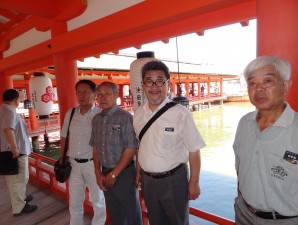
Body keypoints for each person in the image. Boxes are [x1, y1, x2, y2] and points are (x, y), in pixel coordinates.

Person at [133, 60, 206, 225]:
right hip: (148, 181)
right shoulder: (138, 115)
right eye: (149, 81)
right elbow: (141, 145)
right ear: (143, 85)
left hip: (174, 181)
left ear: (168, 84)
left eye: (160, 81)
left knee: (178, 221)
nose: (154, 86)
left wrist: (194, 182)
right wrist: (138, 171)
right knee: (156, 221)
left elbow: (194, 150)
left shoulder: (181, 113)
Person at [233, 55, 298, 225]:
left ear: (285, 86)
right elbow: (240, 166)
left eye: (268, 81)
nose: (259, 89)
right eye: (252, 83)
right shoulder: (244, 123)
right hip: (244, 213)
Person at [90, 81, 142, 225]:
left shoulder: (125, 117)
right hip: (105, 172)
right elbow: (95, 147)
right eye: (99, 94)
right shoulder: (96, 120)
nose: (102, 97)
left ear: (116, 95)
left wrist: (114, 174)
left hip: (124, 173)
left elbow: (131, 149)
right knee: (115, 213)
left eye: (107, 94)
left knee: (132, 213)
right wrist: (97, 173)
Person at [60, 80, 106, 225]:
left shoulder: (100, 114)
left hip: (93, 165)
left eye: (86, 91)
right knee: (74, 202)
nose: (82, 95)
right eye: (79, 92)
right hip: (73, 164)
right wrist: (62, 158)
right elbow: (64, 136)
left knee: (98, 200)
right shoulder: (71, 113)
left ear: (94, 94)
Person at [0, 89, 37, 216]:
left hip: (9, 150)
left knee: (16, 179)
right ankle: (19, 207)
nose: (21, 100)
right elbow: (8, 130)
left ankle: (20, 199)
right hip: (15, 152)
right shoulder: (9, 111)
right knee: (19, 179)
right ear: (16, 100)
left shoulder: (3, 110)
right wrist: (15, 148)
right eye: (20, 98)